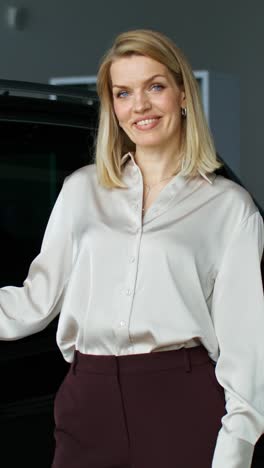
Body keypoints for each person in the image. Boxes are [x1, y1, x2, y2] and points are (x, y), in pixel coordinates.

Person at [0, 29, 264, 468]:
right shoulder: (81, 190)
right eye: (123, 93)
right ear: (113, 107)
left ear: (182, 93)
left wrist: (235, 448)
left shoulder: (228, 208)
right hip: (88, 401)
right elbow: (34, 301)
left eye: (154, 86)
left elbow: (246, 349)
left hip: (182, 402)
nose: (139, 105)